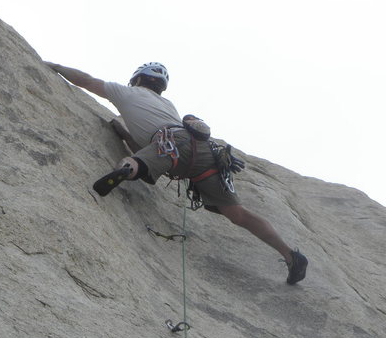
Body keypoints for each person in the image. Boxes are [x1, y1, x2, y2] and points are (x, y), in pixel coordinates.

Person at [45, 60, 308, 285]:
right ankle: (290, 255)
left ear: (137, 79)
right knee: (237, 214)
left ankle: (126, 170)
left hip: (170, 146)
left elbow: (87, 80)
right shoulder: (168, 105)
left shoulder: (126, 92)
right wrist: (125, 133)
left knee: (136, 161)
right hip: (204, 153)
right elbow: (150, 145)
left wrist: (54, 66)